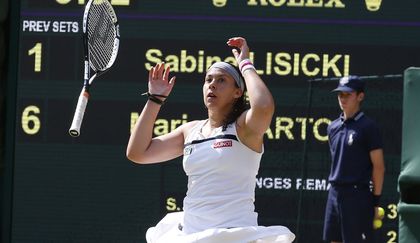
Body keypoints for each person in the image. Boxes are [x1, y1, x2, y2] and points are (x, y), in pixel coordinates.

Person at [126, 37, 295, 243]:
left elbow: (264, 106)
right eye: (208, 80)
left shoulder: (244, 129)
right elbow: (137, 153)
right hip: (190, 235)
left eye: (221, 80)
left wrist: (245, 64)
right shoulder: (190, 131)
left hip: (235, 235)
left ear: (237, 92)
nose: (212, 85)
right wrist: (155, 99)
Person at [323, 76, 386, 243]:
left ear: (360, 96)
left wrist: (375, 201)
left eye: (347, 94)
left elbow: (378, 167)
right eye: (340, 95)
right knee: (333, 240)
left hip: (357, 196)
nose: (343, 99)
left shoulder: (369, 127)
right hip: (334, 193)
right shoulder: (332, 127)